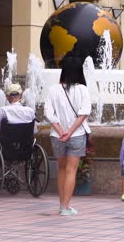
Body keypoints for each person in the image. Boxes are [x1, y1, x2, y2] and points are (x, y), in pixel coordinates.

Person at [44, 56, 91, 216]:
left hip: (57, 136)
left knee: (62, 169)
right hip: (76, 134)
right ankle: (65, 206)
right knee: (71, 170)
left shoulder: (53, 90)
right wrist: (70, 132)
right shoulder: (82, 89)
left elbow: (48, 113)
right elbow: (84, 113)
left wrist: (60, 131)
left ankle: (61, 205)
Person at [0, 83, 37, 155]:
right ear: (21, 96)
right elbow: (34, 130)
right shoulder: (30, 111)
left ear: (7, 97)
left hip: (7, 145)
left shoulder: (3, 110)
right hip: (25, 144)